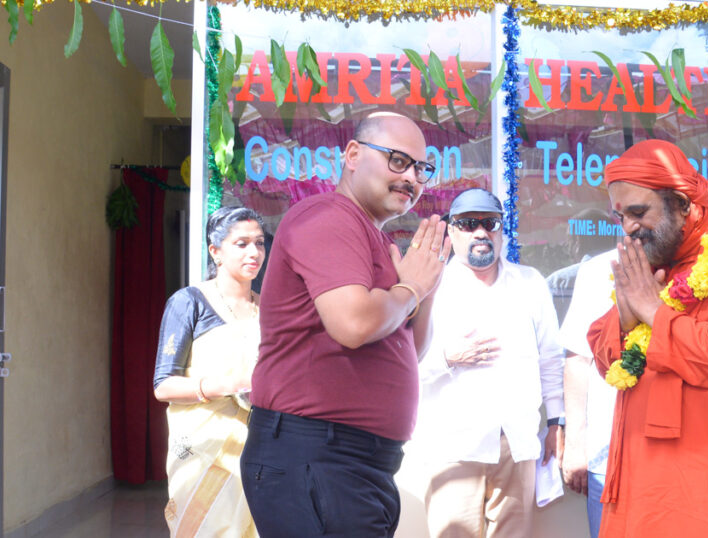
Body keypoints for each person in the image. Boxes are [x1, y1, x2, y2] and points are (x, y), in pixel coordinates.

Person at [240, 111, 451, 537]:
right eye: (397, 160)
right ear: (353, 154)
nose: (411, 177)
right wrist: (408, 288)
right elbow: (354, 323)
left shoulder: (380, 240)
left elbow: (409, 351)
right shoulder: (327, 218)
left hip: (355, 462)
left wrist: (424, 289)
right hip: (315, 453)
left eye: (421, 168)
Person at [586, 139, 708, 537]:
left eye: (639, 211)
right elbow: (606, 357)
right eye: (620, 215)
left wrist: (654, 314)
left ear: (682, 203)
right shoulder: (648, 268)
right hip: (643, 493)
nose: (628, 226)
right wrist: (628, 320)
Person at [414, 188, 564, 538]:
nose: (480, 232)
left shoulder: (530, 283)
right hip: (454, 444)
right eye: (468, 224)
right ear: (451, 232)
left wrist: (557, 421)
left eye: (489, 223)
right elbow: (403, 365)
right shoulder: (431, 287)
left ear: (501, 230)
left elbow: (551, 358)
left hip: (517, 442)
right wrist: (448, 357)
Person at [153, 205, 266, 537]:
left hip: (259, 446)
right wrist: (231, 383)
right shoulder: (190, 302)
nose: (254, 252)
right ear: (215, 251)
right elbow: (163, 386)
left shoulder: (268, 309)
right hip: (205, 447)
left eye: (259, 243)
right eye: (241, 243)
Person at [558, 247, 617, 538]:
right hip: (607, 456)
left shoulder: (696, 264)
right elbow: (578, 359)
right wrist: (575, 445)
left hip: (680, 457)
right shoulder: (598, 270)